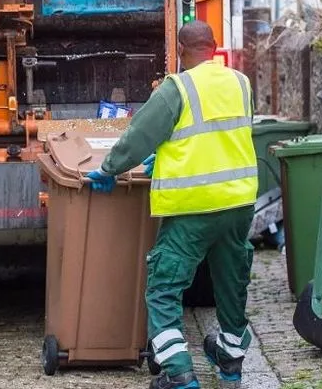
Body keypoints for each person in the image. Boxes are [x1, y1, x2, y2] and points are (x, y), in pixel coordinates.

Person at [86, 20, 258, 389]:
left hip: (193, 208)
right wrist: (164, 156)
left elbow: (140, 136)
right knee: (231, 285)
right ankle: (230, 364)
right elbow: (221, 136)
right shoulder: (241, 83)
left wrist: (109, 169)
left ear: (181, 50)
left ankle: (179, 372)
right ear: (214, 47)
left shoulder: (176, 87)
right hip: (239, 204)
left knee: (164, 288)